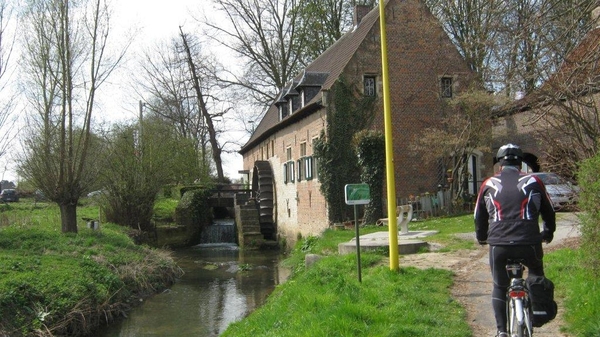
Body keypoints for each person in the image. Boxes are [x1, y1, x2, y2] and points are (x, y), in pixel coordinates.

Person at [474, 143, 556, 337]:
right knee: (535, 274)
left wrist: (482, 237)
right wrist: (548, 233)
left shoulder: (488, 184)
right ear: (520, 163)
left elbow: (479, 217)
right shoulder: (534, 181)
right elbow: (549, 212)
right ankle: (536, 311)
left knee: (499, 286)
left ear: (499, 164)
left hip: (499, 245)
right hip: (529, 243)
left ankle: (501, 331)